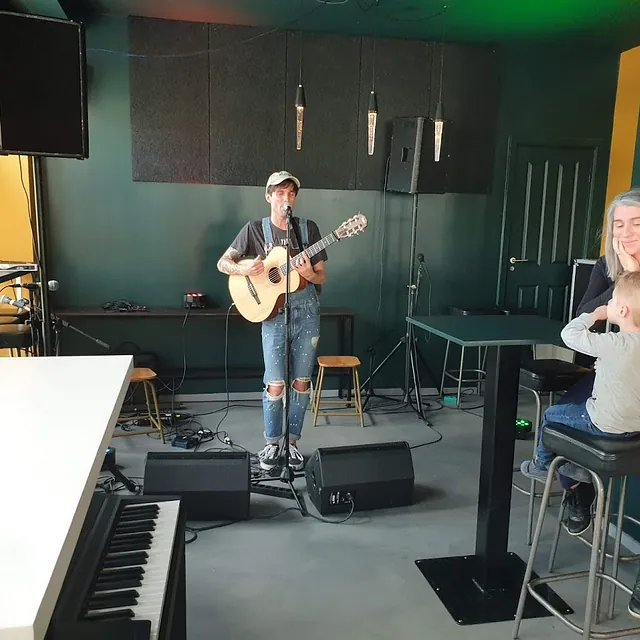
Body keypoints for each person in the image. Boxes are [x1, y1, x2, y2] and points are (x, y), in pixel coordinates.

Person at [521, 270, 640, 616]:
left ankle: (544, 466)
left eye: (613, 301)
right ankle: (578, 474)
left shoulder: (614, 343)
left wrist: (596, 314)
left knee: (552, 416)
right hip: (635, 434)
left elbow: (569, 334)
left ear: (622, 311)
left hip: (601, 425)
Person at [216, 171, 327, 472]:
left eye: (291, 193)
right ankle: (271, 443)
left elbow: (321, 277)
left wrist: (307, 274)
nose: (285, 199)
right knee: (275, 384)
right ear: (268, 196)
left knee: (301, 382)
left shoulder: (307, 229)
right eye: (280, 193)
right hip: (273, 315)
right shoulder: (254, 229)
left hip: (307, 314)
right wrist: (244, 269)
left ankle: (292, 443)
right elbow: (223, 263)